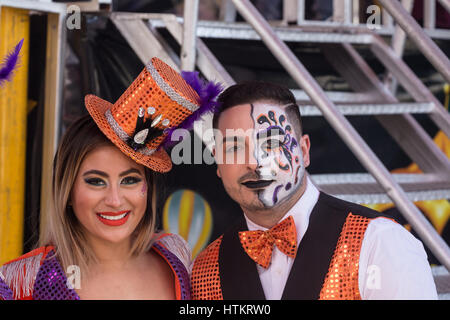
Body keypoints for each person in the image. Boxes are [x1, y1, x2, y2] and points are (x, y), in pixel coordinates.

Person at [190, 81, 438, 300]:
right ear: (219, 162)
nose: (254, 162)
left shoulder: (379, 242)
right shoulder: (204, 270)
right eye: (234, 148)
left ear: (304, 151)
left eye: (273, 143)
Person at [0, 57, 221, 300]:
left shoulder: (175, 255)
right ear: (67, 190)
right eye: (96, 181)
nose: (115, 200)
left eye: (129, 180)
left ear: (148, 187)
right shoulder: (21, 282)